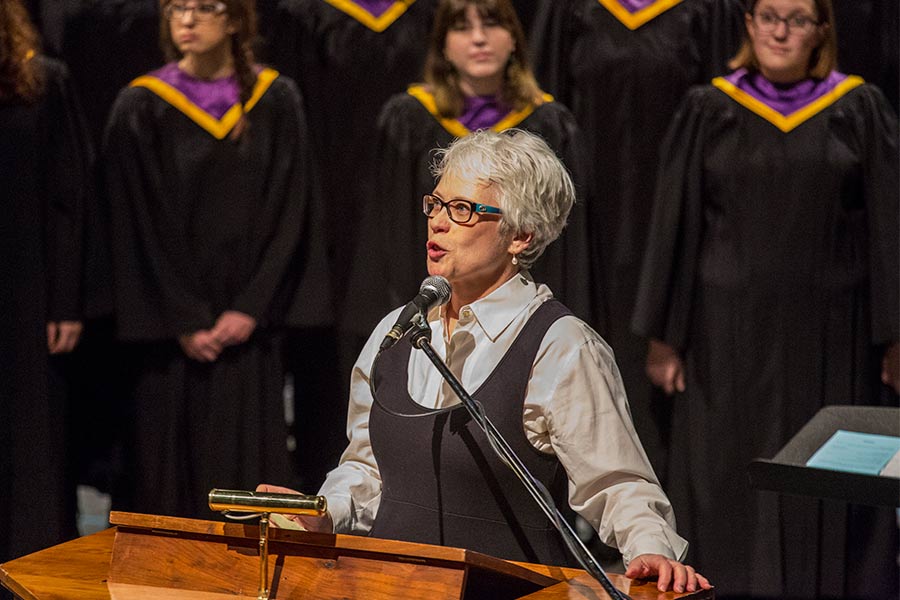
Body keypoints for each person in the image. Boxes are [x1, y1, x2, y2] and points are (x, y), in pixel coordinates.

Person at [261, 128, 709, 594]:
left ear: (520, 235)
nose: (438, 223)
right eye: (435, 204)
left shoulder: (559, 344)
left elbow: (616, 483)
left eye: (463, 210)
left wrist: (650, 549)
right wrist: (321, 512)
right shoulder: (396, 330)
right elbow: (370, 469)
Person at [631, 0, 898, 597]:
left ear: (822, 30)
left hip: (836, 332)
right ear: (747, 24)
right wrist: (664, 335)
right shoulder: (710, 107)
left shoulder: (858, 108)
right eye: (769, 16)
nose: (781, 30)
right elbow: (676, 223)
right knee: (727, 470)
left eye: (798, 18)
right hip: (725, 333)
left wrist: (896, 336)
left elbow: (890, 228)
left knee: (828, 469)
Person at [102, 0, 330, 519]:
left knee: (248, 483)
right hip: (169, 337)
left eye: (203, 7)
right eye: (176, 7)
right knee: (165, 480)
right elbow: (134, 221)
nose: (186, 18)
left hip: (247, 332)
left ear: (234, 19)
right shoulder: (140, 105)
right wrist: (183, 317)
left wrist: (251, 307)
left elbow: (290, 208)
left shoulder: (275, 99)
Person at [528, 0, 745, 486]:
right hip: (585, 222)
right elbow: (542, 109)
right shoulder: (572, 10)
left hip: (674, 223)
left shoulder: (705, 12)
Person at [345, 0, 596, 347]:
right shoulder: (408, 119)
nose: (479, 39)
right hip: (426, 322)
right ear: (443, 45)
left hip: (523, 327)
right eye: (462, 28)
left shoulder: (550, 124)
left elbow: (569, 247)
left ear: (514, 41)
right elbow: (387, 238)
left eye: (493, 25)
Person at [0, 0, 91, 566]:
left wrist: (66, 300)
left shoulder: (42, 85)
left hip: (26, 293)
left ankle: (27, 567)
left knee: (30, 439)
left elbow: (70, 200)